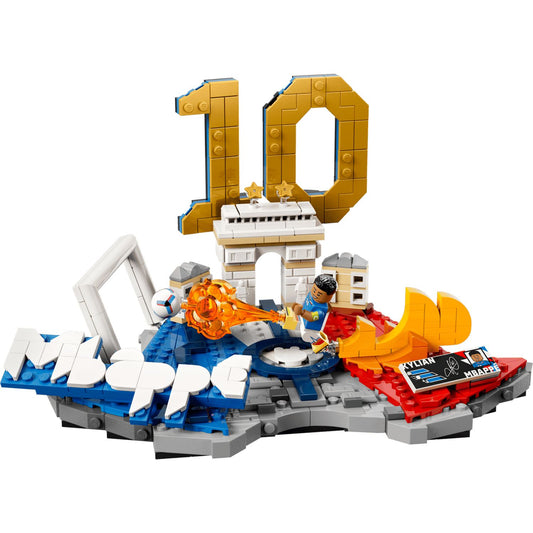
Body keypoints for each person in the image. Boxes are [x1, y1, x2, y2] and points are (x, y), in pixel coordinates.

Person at [292, 274, 337, 342]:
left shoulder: (321, 310)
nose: (315, 294)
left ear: (329, 296)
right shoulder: (311, 296)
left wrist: (301, 312)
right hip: (303, 321)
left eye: (319, 294)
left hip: (310, 330)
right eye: (314, 290)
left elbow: (311, 317)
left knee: (306, 337)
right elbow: (305, 303)